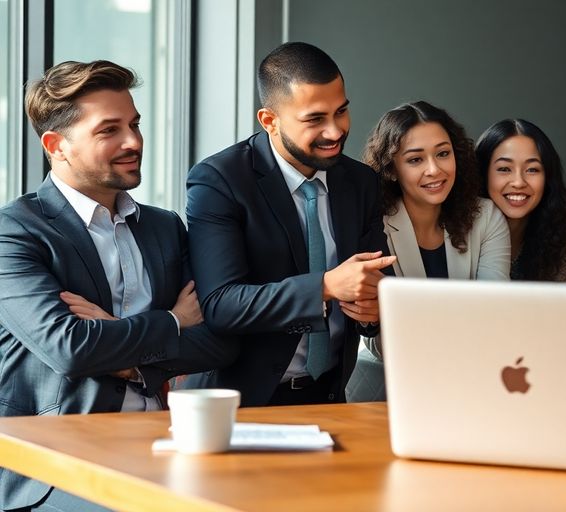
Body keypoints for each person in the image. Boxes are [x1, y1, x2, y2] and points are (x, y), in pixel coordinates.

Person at [0, 60, 236, 511]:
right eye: (110, 129)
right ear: (57, 145)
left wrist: (119, 346)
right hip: (57, 464)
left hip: (165, 447)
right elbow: (71, 348)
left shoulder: (165, 228)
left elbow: (218, 342)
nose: (134, 141)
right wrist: (173, 320)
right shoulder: (16, 232)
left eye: (135, 124)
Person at [184, 42, 394, 407]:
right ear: (269, 120)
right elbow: (221, 304)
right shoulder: (219, 181)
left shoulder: (360, 182)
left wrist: (374, 310)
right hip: (238, 404)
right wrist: (325, 286)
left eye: (341, 111)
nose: (335, 131)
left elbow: (374, 279)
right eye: (315, 119)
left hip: (329, 398)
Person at [346, 101, 510, 402]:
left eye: (443, 154)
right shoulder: (371, 223)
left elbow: (492, 311)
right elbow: (377, 333)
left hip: (469, 379)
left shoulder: (486, 216)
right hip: (382, 381)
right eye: (415, 160)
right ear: (391, 168)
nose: (434, 169)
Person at [475, 118, 566, 281]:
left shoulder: (564, 240)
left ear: (548, 177)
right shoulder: (460, 230)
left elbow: (552, 305)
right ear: (483, 173)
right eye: (504, 169)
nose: (518, 182)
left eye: (532, 170)